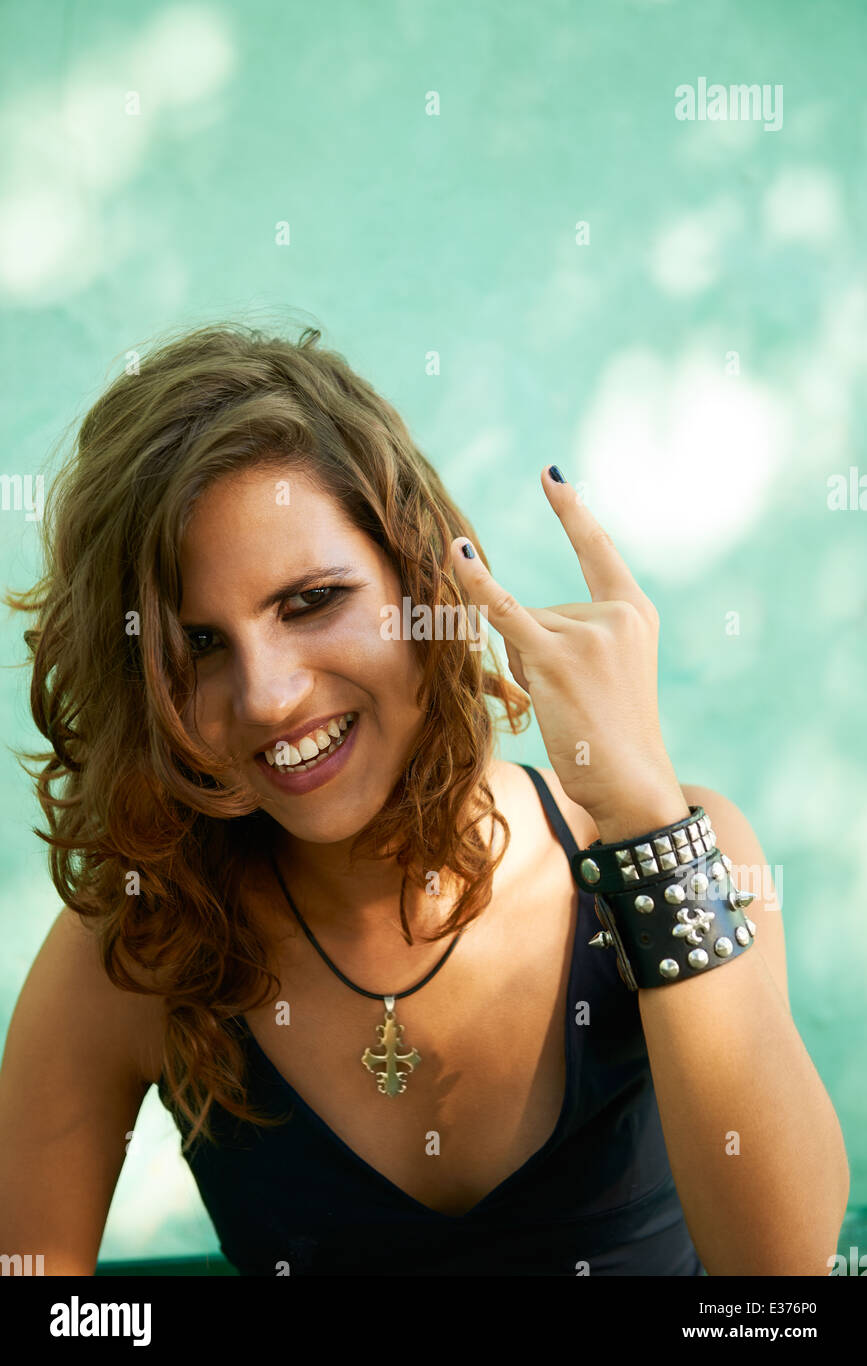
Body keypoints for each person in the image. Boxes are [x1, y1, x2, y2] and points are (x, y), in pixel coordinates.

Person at [0, 323, 848, 1277]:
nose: (269, 696)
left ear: (425, 577)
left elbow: (781, 1282)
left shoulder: (692, 851)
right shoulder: (136, 949)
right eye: (197, 647)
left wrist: (647, 818)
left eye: (311, 600)